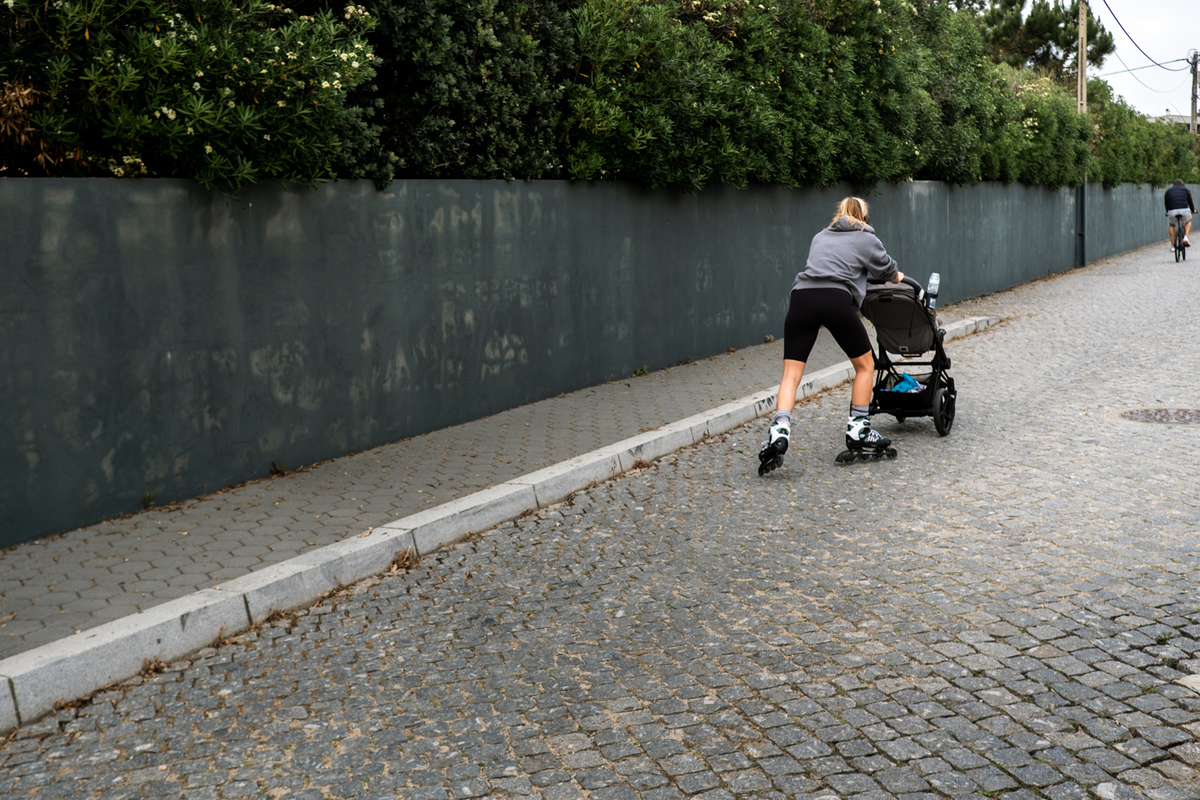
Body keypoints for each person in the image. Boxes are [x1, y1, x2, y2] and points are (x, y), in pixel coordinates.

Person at [758, 196, 903, 474]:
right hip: (835, 299)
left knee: (791, 374)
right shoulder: (866, 237)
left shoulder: (820, 236)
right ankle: (859, 430)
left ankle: (779, 431)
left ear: (839, 213)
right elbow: (888, 270)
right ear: (863, 217)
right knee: (865, 365)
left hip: (801, 298)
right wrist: (900, 277)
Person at [1165, 178, 1196, 250]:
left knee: (1172, 225)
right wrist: (1193, 210)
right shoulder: (1186, 190)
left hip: (1172, 210)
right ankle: (1186, 237)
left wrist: (1167, 211)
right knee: (1188, 221)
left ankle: (1172, 246)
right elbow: (1190, 201)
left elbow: (1166, 202)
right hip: (1184, 210)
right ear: (1182, 185)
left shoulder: (1168, 191)